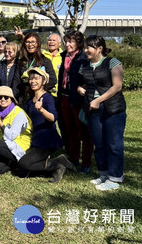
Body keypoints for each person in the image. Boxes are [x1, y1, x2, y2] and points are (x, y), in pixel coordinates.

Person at [78, 36, 127, 191]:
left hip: (113, 109)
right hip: (94, 110)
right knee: (99, 144)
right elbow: (89, 82)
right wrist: (81, 88)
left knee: (114, 144)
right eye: (85, 47)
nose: (86, 50)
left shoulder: (112, 62)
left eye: (89, 47)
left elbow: (117, 86)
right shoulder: (85, 66)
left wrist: (99, 100)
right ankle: (104, 175)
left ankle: (115, 178)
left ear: (99, 48)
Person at [18, 68, 72, 183]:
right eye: (31, 79)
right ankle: (59, 160)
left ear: (43, 81)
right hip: (36, 140)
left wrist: (41, 109)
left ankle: (57, 166)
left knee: (24, 163)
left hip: (47, 140)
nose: (32, 81)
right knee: (21, 171)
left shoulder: (47, 98)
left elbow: (53, 118)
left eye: (36, 78)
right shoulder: (30, 101)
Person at [58, 31, 92, 173]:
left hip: (78, 99)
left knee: (83, 131)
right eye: (66, 41)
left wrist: (82, 88)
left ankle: (86, 162)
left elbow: (89, 79)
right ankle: (73, 158)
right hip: (65, 97)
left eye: (71, 41)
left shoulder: (83, 58)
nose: (68, 44)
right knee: (70, 129)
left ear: (78, 43)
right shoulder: (64, 56)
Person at [0, 86, 32, 175]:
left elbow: (12, 136)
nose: (3, 99)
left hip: (21, 147)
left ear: (11, 99)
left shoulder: (19, 113)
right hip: (8, 146)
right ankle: (13, 163)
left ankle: (21, 161)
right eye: (0, 97)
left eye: (6, 97)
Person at [17, 33, 57, 104]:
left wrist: (38, 89)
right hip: (24, 99)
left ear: (38, 44)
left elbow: (53, 80)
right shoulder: (21, 62)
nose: (30, 44)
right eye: (28, 42)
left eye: (33, 42)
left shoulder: (45, 61)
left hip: (41, 99)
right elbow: (16, 81)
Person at [43, 33, 63, 97]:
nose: (51, 42)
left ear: (60, 44)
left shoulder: (64, 56)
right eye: (49, 40)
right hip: (43, 91)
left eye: (54, 40)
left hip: (58, 93)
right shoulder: (42, 55)